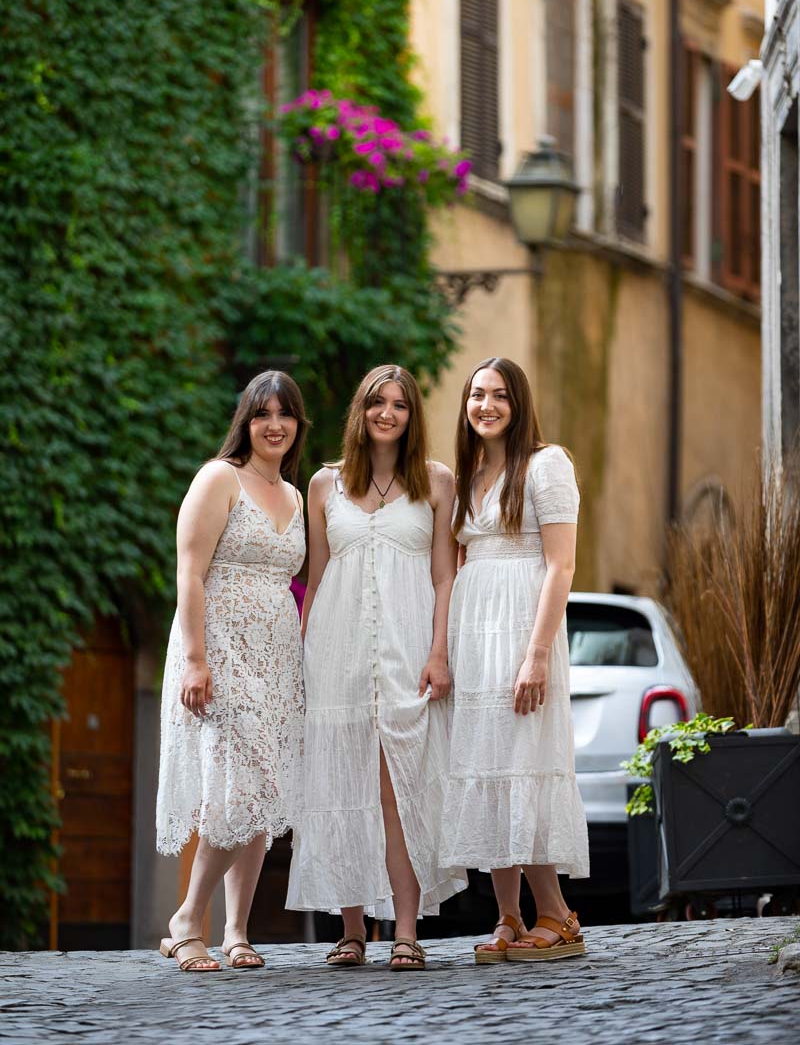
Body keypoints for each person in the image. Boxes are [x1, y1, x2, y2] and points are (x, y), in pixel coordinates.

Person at [286, 364, 467, 970]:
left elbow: (445, 575)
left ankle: (407, 933)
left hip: (408, 651)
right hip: (335, 654)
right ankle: (352, 928)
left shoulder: (436, 483)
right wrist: (301, 659)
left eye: (400, 404)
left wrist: (439, 651)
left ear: (413, 415)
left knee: (399, 794)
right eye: (376, 403)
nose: (387, 413)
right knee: (342, 786)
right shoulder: (323, 485)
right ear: (359, 412)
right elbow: (313, 579)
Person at [156, 371, 309, 972]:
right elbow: (189, 572)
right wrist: (196, 659)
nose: (274, 425)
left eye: (286, 415)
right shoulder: (219, 477)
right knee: (247, 781)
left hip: (277, 652)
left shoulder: (296, 496)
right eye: (262, 414)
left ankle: (238, 931)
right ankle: (187, 917)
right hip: (219, 647)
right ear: (245, 421)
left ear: (297, 425)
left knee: (266, 792)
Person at [440, 357, 589, 963]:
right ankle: (507, 916)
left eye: (499, 395)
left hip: (523, 634)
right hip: (474, 638)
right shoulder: (468, 472)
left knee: (525, 764)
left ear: (518, 402)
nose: (486, 406)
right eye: (476, 395)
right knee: (489, 769)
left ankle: (557, 912)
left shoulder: (547, 465)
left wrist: (536, 655)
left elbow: (561, 564)